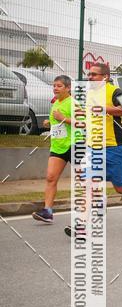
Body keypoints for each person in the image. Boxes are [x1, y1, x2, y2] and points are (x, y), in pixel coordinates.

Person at [64, 62, 122, 236]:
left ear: (105, 77)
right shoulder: (88, 94)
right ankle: (80, 226)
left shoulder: (115, 92)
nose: (90, 77)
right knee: (87, 184)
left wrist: (105, 109)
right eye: (89, 74)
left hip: (114, 147)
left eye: (94, 75)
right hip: (93, 147)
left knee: (120, 187)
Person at [33, 75, 75, 224]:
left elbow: (83, 123)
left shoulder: (73, 103)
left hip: (75, 145)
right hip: (58, 146)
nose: (55, 88)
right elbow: (58, 124)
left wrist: (63, 118)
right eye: (54, 85)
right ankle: (47, 212)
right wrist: (49, 123)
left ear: (68, 88)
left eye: (59, 86)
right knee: (51, 178)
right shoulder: (56, 103)